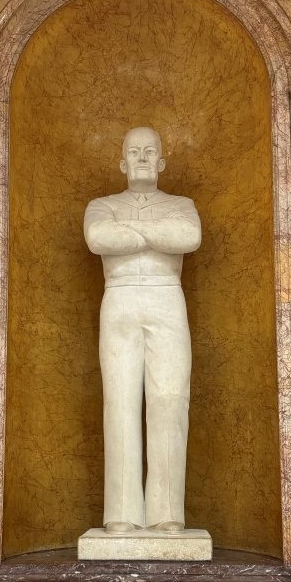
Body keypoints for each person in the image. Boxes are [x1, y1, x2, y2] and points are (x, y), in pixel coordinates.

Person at [84, 127, 201, 532]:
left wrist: (130, 232)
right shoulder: (102, 205)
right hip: (119, 300)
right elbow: (98, 238)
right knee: (119, 403)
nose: (142, 158)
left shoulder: (182, 205)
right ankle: (122, 513)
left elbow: (188, 236)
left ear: (162, 162)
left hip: (166, 298)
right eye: (134, 152)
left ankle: (167, 513)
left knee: (170, 402)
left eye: (150, 151)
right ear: (122, 163)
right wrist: (156, 235)